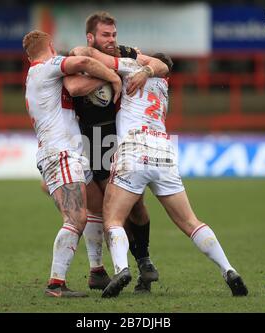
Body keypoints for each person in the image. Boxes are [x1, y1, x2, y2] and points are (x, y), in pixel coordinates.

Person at [72, 47, 249, 298]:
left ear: (148, 62)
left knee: (112, 218)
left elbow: (92, 55)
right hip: (164, 150)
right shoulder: (163, 86)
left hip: (134, 149)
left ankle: (122, 268)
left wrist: (102, 52)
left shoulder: (131, 68)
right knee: (190, 222)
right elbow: (162, 66)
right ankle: (228, 269)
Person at [68, 11, 169, 293]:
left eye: (114, 35)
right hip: (94, 140)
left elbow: (163, 64)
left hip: (121, 137)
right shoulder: (76, 59)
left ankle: (144, 263)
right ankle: (121, 268)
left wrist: (145, 68)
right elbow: (74, 87)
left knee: (134, 206)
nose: (112, 40)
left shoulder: (125, 52)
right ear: (91, 37)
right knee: (111, 210)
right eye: (105, 35)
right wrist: (111, 75)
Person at [22, 30, 122, 297]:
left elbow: (75, 84)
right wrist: (114, 76)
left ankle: (97, 271)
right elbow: (83, 64)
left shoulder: (36, 74)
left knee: (97, 208)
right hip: (61, 153)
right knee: (75, 217)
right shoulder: (47, 67)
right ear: (51, 47)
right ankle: (56, 284)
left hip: (70, 154)